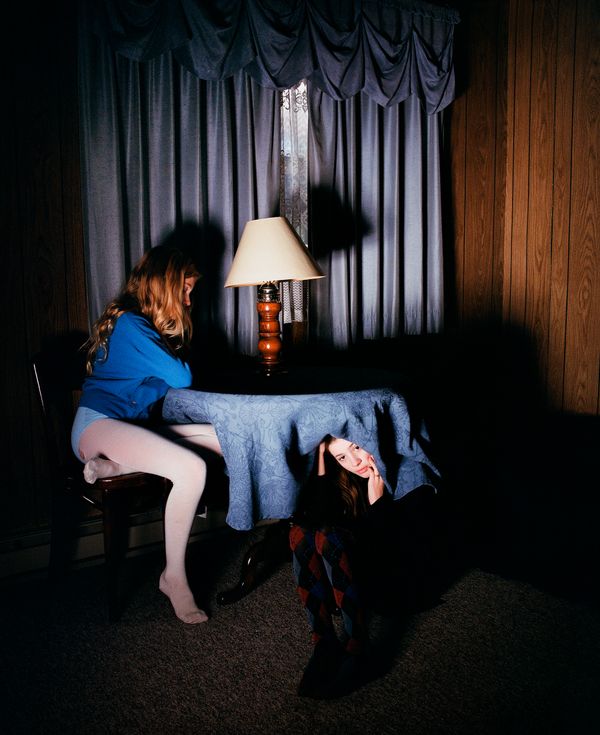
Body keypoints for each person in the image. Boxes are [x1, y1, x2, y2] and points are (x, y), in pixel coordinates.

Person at [71, 244, 222, 624]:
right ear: (164, 286)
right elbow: (181, 377)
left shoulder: (144, 327)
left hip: (130, 430)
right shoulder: (131, 324)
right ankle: (174, 578)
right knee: (191, 468)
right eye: (184, 290)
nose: (188, 301)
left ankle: (112, 466)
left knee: (223, 438)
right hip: (97, 425)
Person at [290, 434, 440, 698]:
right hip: (362, 579)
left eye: (357, 447)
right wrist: (322, 458)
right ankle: (324, 643)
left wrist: (378, 505)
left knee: (329, 537)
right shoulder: (349, 477)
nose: (355, 461)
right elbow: (315, 514)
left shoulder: (409, 475)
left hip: (405, 586)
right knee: (301, 532)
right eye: (341, 457)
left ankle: (359, 649)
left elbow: (401, 558)